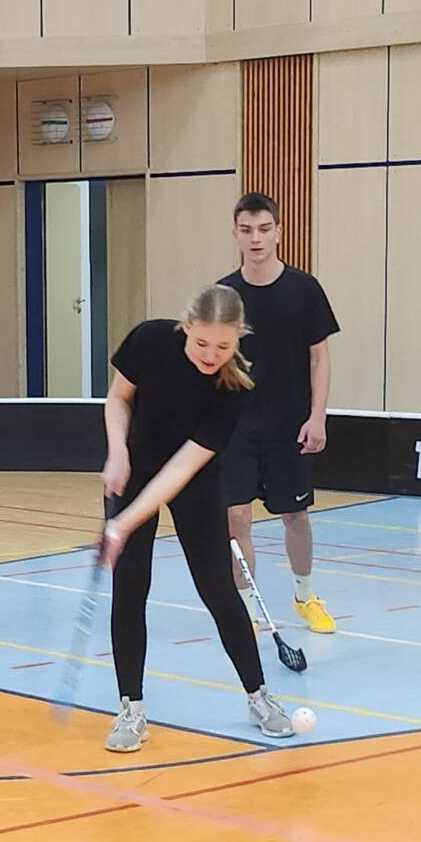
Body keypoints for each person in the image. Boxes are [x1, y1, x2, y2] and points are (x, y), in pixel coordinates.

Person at [98, 286, 301, 752]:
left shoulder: (237, 387)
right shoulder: (149, 340)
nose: (211, 355)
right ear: (185, 327)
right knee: (130, 588)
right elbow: (118, 398)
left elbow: (180, 470)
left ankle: (259, 696)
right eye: (202, 343)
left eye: (223, 346)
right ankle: (131, 709)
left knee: (218, 590)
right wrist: (117, 453)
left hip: (194, 480)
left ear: (239, 337)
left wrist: (122, 524)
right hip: (133, 467)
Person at [219, 193, 340, 634]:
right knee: (236, 519)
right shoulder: (224, 296)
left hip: (290, 426)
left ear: (278, 233)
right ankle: (247, 608)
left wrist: (317, 416)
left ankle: (305, 596)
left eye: (264, 229)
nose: (256, 238)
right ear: (236, 234)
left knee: (296, 516)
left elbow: (319, 358)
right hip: (236, 428)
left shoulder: (304, 290)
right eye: (246, 230)